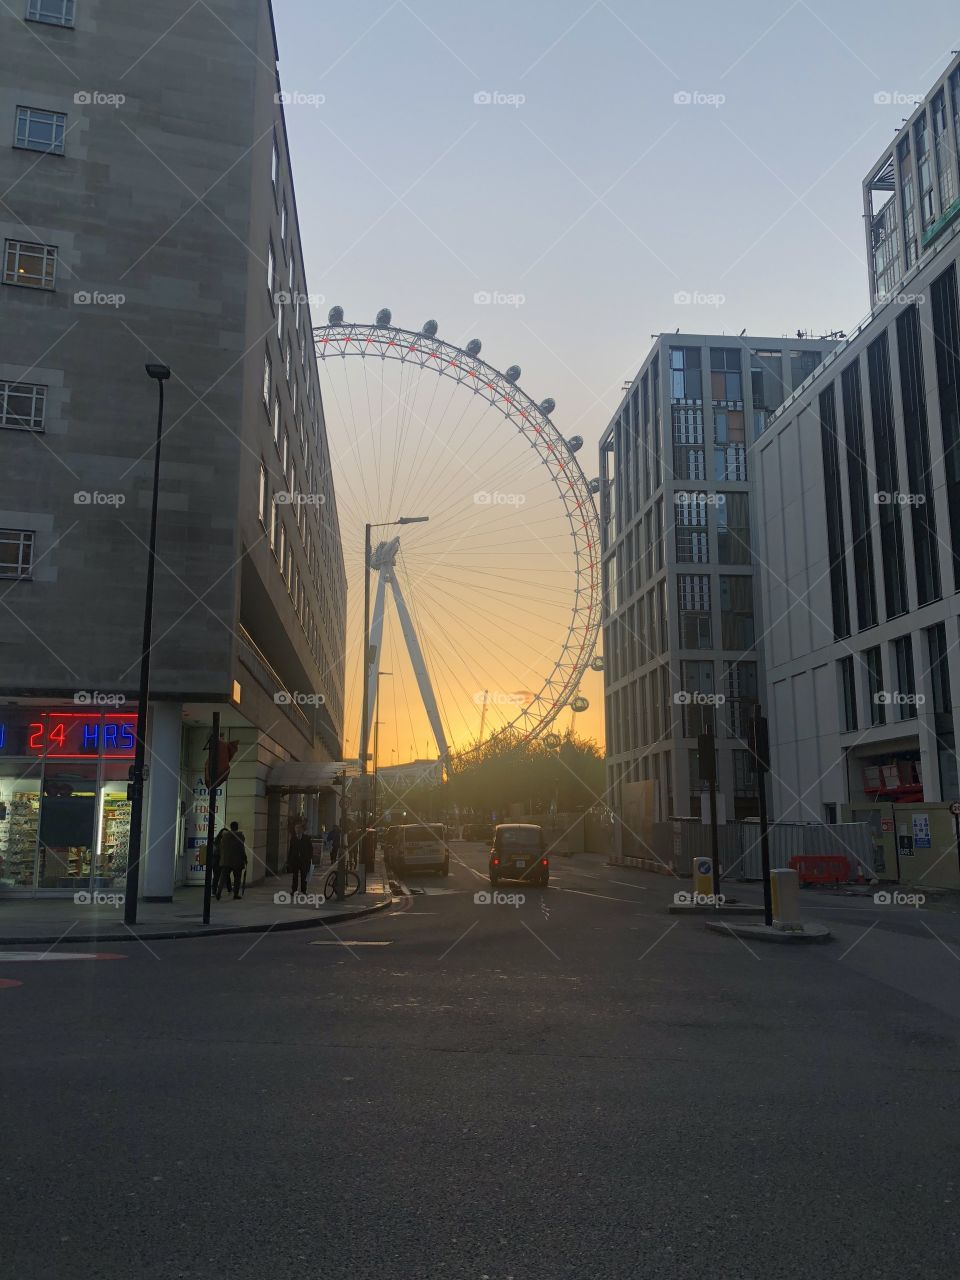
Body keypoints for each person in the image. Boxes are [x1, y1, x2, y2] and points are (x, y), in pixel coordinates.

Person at [217, 822, 246, 900]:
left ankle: (219, 892)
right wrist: (244, 858)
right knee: (237, 878)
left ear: (230, 827)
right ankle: (235, 894)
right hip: (237, 861)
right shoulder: (240, 836)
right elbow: (241, 849)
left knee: (222, 878)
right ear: (237, 827)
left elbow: (221, 848)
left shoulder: (225, 836)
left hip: (226, 860)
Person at [288, 820, 313, 897]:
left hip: (304, 860)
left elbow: (310, 849)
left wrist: (309, 858)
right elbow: (291, 850)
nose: (297, 830)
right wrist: (289, 860)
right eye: (296, 828)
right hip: (295, 860)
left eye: (299, 828)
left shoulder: (306, 838)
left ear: (302, 830)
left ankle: (303, 891)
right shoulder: (293, 839)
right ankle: (294, 890)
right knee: (295, 876)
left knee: (303, 876)